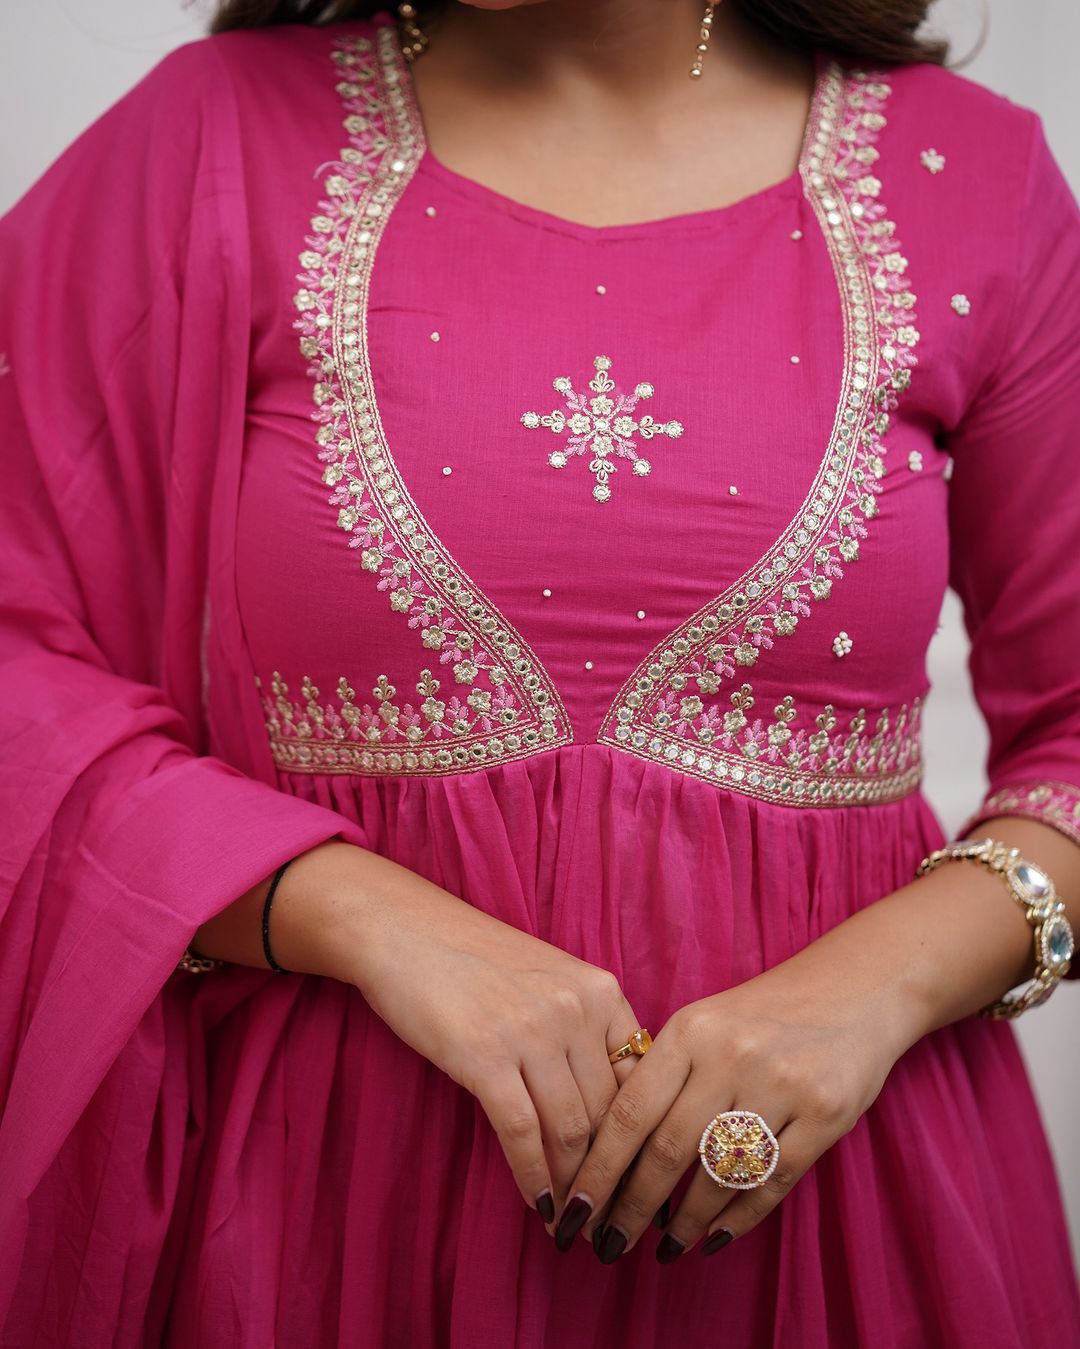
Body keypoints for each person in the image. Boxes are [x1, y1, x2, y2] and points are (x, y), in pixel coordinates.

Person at [1, 0, 1078, 1344]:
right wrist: (358, 913)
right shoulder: (209, 137)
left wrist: (877, 986)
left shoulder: (973, 180)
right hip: (318, 1218)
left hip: (841, 1216)